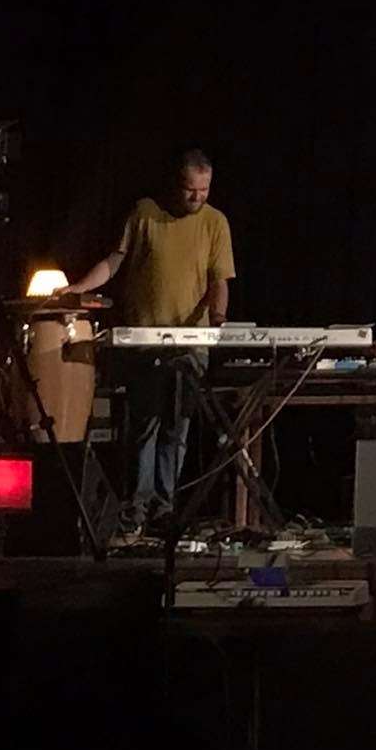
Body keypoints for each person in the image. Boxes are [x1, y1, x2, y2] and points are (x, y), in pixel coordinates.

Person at [67, 148, 235, 529]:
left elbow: (219, 280)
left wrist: (218, 320)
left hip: (190, 343)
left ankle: (165, 506)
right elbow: (115, 261)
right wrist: (78, 288)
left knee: (178, 425)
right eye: (191, 189)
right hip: (144, 340)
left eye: (204, 189)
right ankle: (138, 506)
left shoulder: (215, 222)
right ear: (177, 184)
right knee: (145, 423)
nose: (197, 197)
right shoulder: (145, 213)